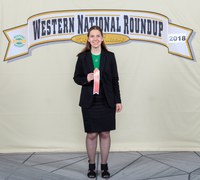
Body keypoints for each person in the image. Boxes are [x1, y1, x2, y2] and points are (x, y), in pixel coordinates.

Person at [73, 26, 122, 179]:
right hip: (89, 101)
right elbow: (76, 78)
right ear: (88, 39)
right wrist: (86, 79)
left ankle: (105, 166)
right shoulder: (82, 58)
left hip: (107, 100)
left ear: (102, 38)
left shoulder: (110, 56)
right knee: (92, 134)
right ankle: (92, 166)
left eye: (98, 36)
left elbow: (115, 80)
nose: (95, 39)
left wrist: (118, 100)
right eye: (92, 36)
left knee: (105, 133)